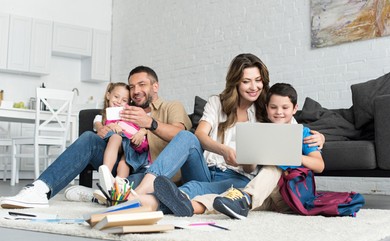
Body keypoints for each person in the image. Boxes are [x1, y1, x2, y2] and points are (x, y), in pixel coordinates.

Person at [97, 54, 325, 216]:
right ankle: (143, 190)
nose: (253, 86)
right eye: (246, 81)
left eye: (258, 81)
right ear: (236, 81)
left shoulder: (268, 109)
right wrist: (223, 150)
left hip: (237, 177)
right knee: (187, 137)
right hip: (206, 169)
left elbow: (290, 126)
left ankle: (142, 201)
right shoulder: (217, 103)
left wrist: (320, 138)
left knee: (192, 190)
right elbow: (201, 135)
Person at [0, 66, 192, 209]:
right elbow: (108, 128)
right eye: (132, 86)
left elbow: (180, 135)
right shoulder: (126, 109)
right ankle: (40, 189)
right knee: (89, 138)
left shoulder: (171, 106)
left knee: (133, 187)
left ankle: (97, 194)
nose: (135, 91)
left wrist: (149, 123)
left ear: (155, 86)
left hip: (149, 173)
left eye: (142, 84)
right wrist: (103, 130)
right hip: (122, 163)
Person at [205, 82, 325, 219]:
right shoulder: (261, 132)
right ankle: (192, 205)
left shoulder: (303, 133)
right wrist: (251, 156)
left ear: (295, 108)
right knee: (228, 198)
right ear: (267, 108)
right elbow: (250, 170)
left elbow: (319, 166)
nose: (279, 112)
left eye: (285, 107)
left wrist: (290, 155)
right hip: (266, 194)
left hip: (292, 195)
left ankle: (246, 198)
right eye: (273, 107)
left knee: (274, 164)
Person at [93, 82, 149, 201]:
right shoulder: (103, 117)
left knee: (125, 162)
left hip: (135, 146)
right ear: (108, 95)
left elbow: (147, 126)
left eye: (124, 100)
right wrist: (113, 125)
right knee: (116, 137)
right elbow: (99, 127)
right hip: (119, 142)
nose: (119, 102)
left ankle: (118, 187)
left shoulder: (131, 114)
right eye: (116, 97)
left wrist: (141, 133)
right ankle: (106, 175)